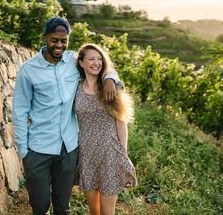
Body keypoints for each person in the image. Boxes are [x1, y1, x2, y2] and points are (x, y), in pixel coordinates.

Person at [13, 17, 120, 215]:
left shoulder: (73, 61)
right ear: (46, 38)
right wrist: (23, 152)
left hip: (68, 149)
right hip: (38, 149)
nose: (59, 45)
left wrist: (111, 79)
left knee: (63, 208)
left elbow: (99, 65)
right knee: (40, 205)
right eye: (55, 40)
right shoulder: (28, 70)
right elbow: (20, 112)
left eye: (64, 40)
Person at [74, 43, 137, 215]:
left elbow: (121, 122)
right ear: (81, 63)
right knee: (94, 210)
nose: (96, 63)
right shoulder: (75, 87)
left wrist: (123, 154)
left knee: (107, 211)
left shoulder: (109, 87)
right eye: (91, 59)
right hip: (87, 153)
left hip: (109, 153)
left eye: (99, 59)